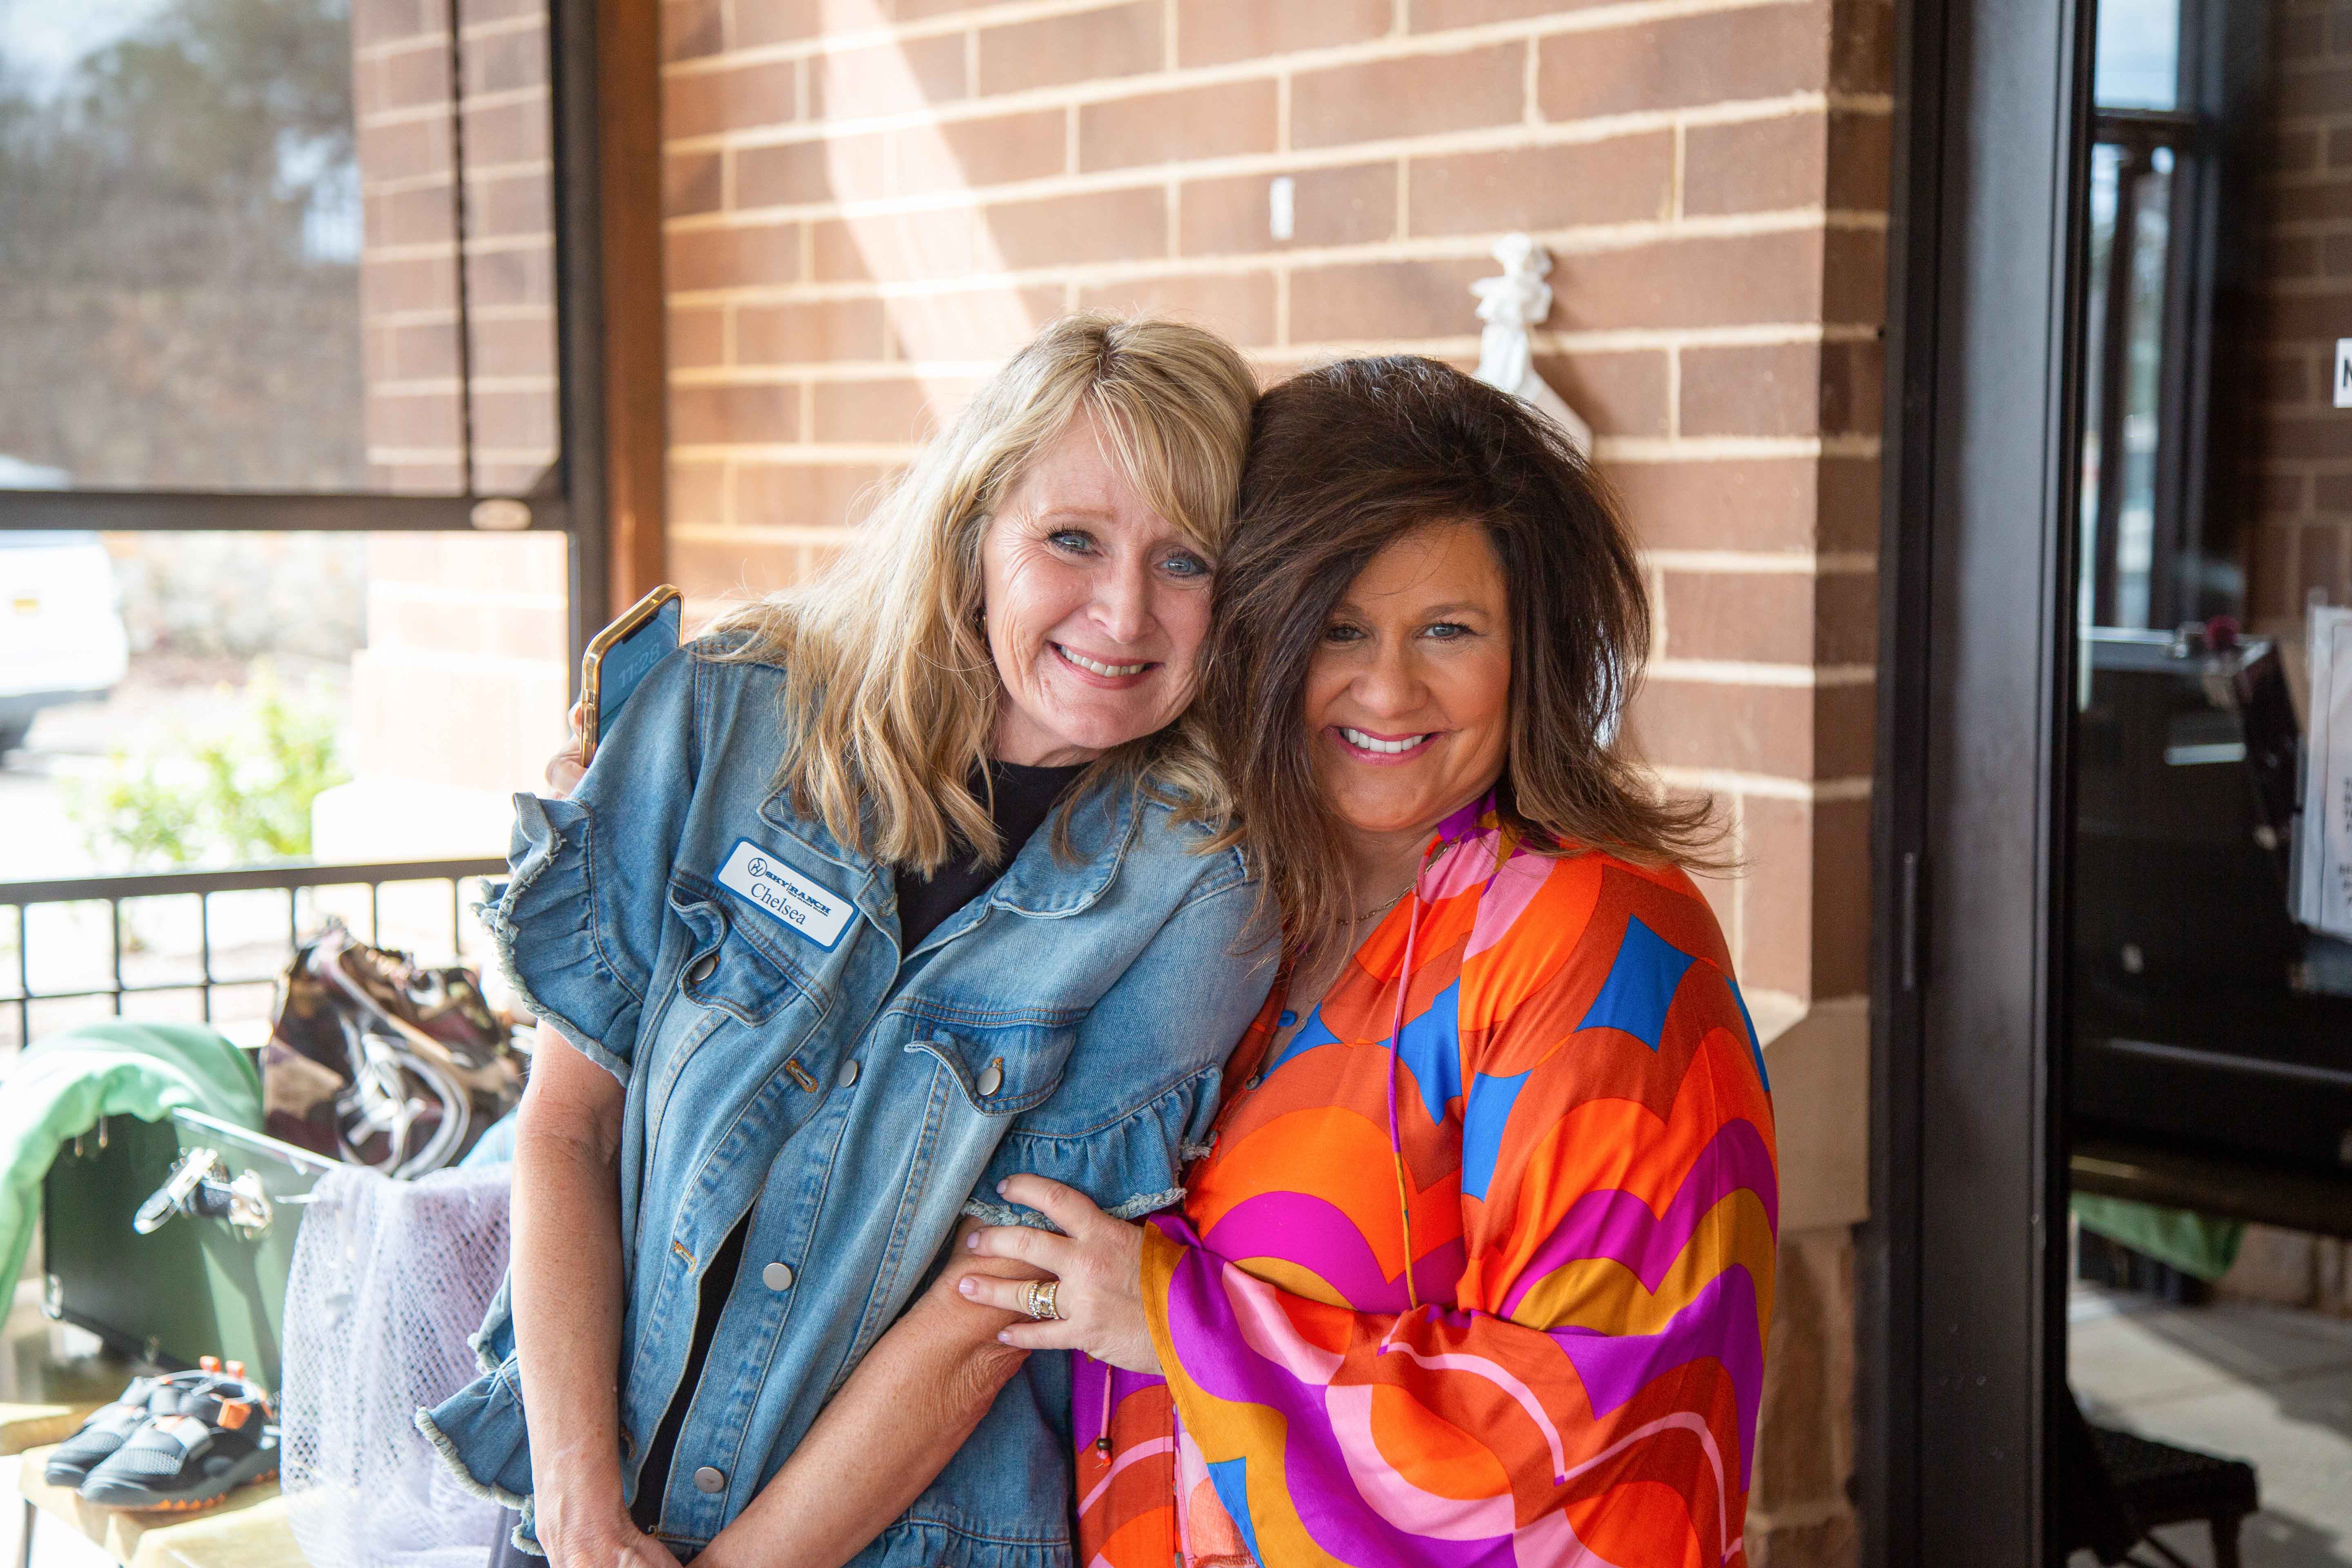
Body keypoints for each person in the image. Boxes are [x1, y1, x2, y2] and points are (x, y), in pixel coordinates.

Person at [852, 355, 1778, 1566]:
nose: (1387, 689)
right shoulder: (1224, 902)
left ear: (1532, 652)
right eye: (1338, 629)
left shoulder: (1600, 943)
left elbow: (1605, 1437)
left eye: (1448, 630)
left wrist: (1173, 1320)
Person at [418, 314, 1277, 1568]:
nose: (1124, 610)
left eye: (1186, 561)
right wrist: (582, 1514)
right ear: (975, 529)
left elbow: (997, 1299)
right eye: (1072, 540)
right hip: (581, 1506)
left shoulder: (1201, 886)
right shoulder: (726, 711)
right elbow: (567, 1129)